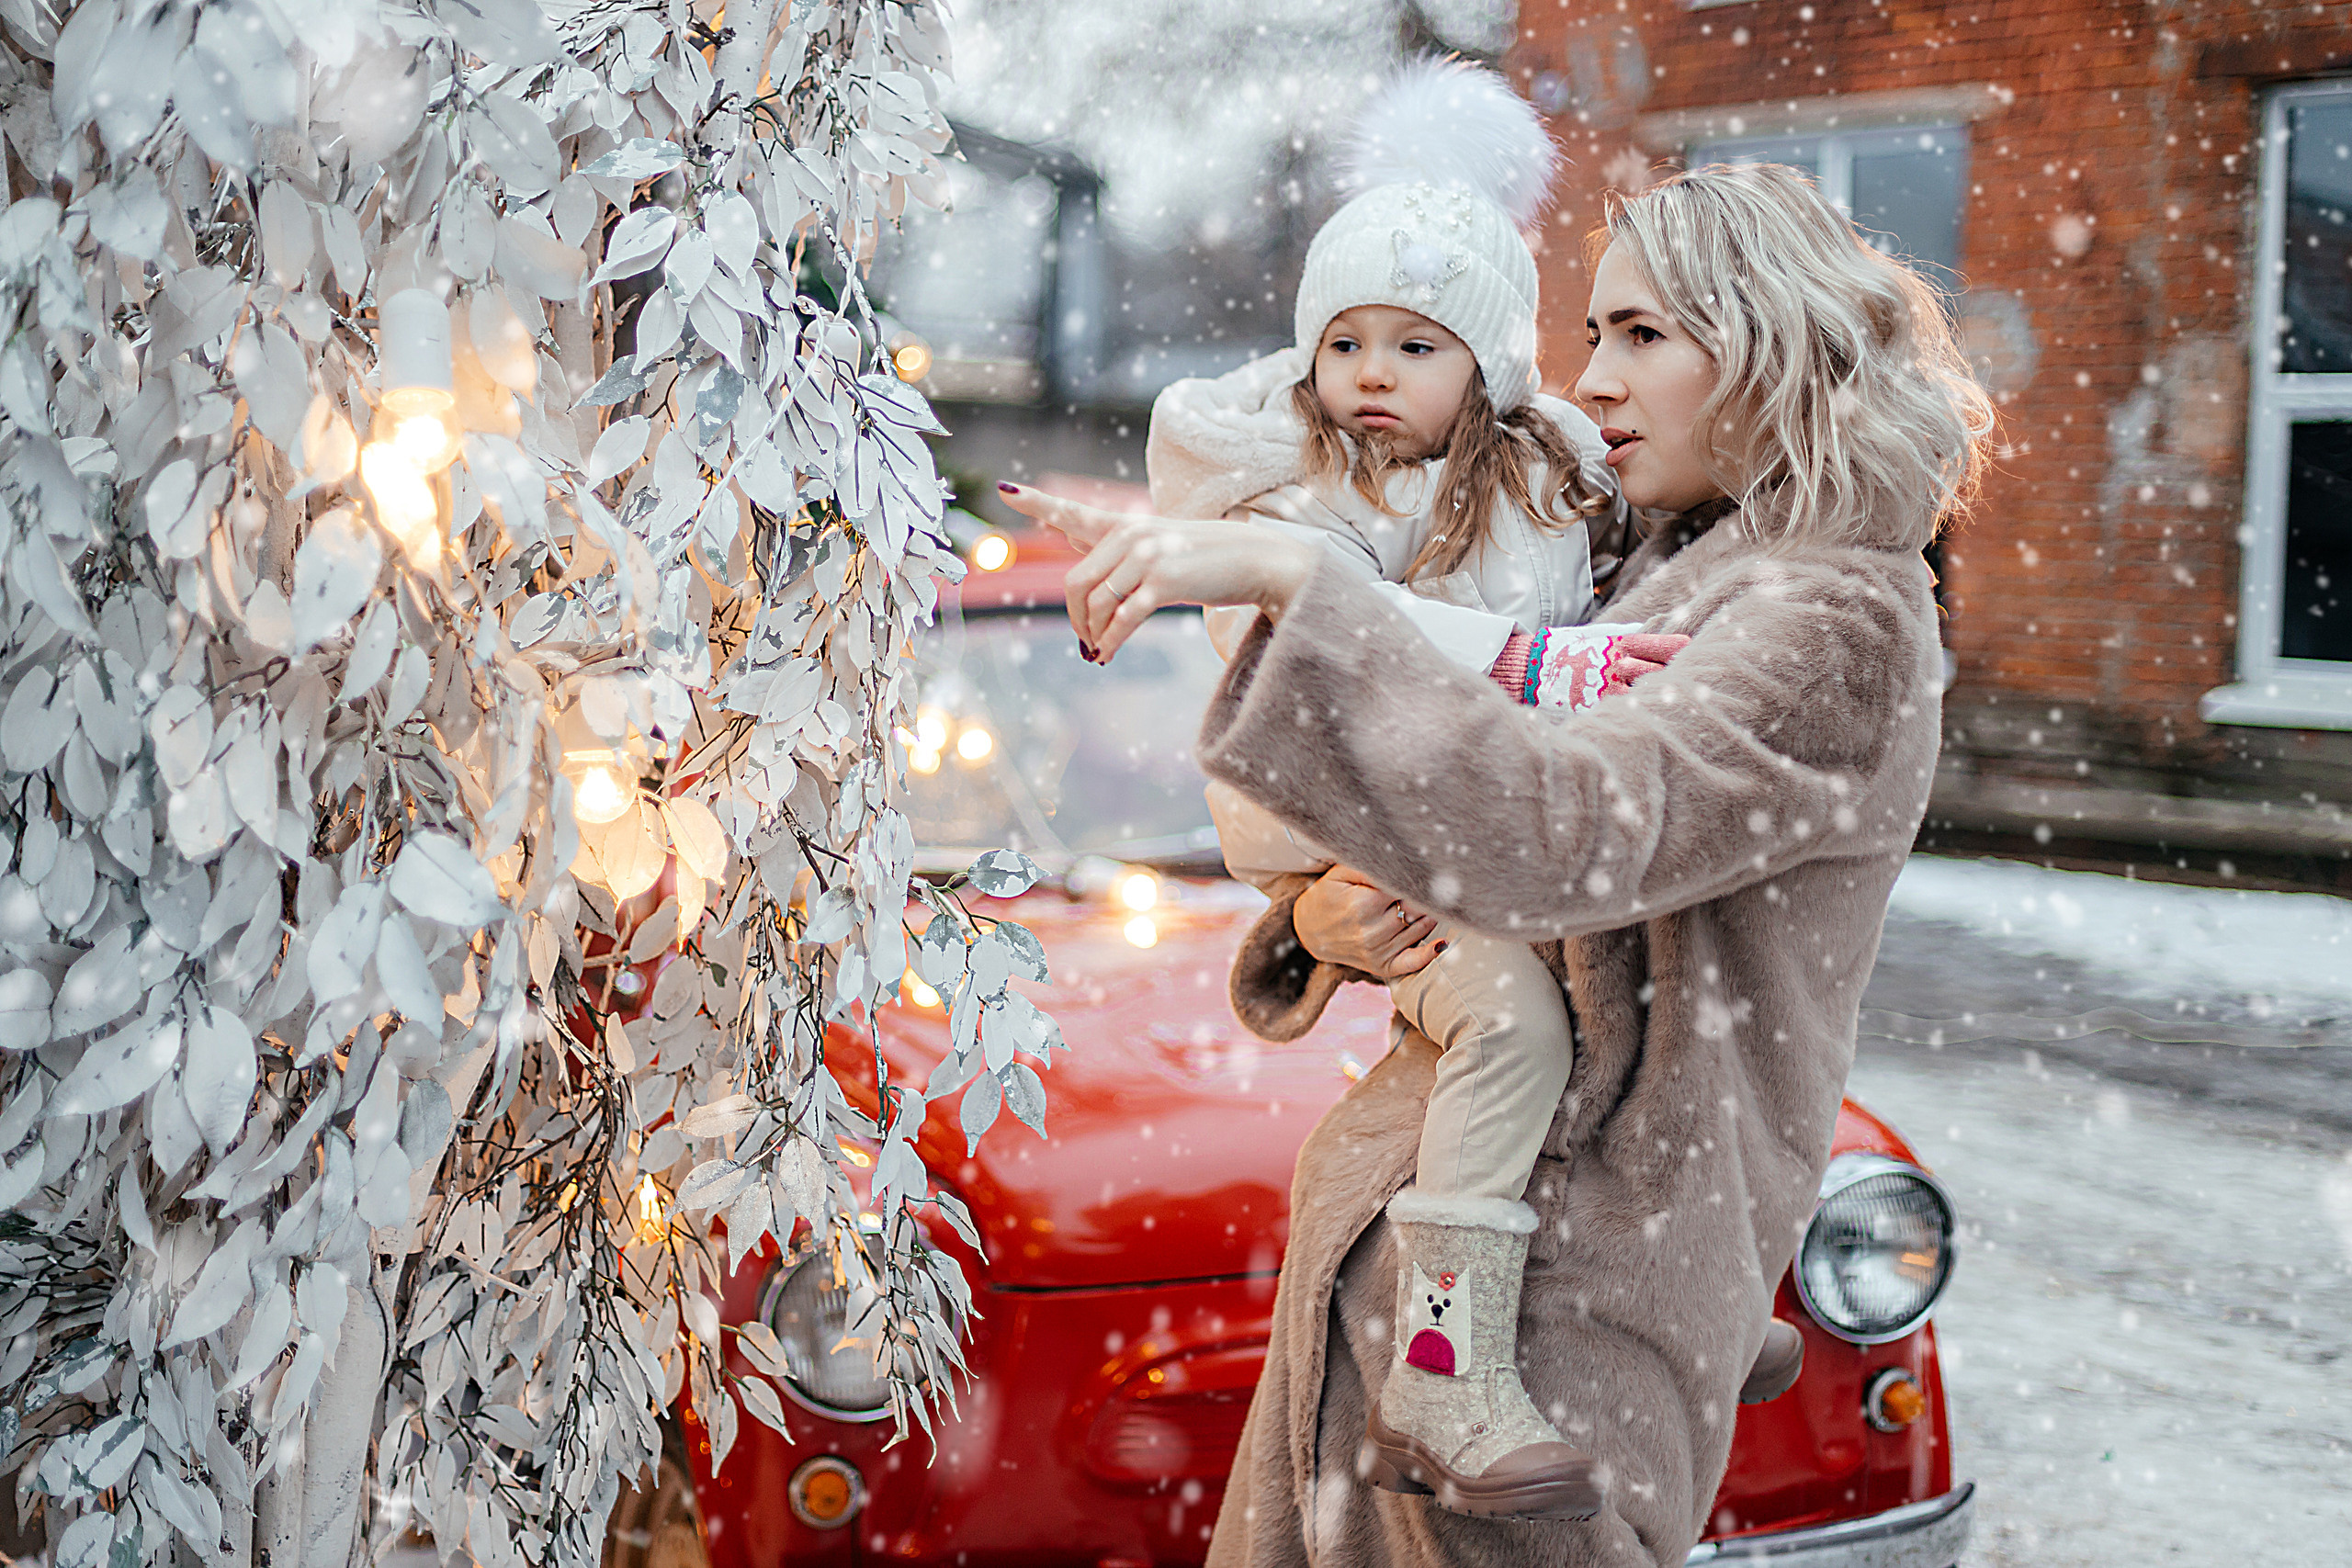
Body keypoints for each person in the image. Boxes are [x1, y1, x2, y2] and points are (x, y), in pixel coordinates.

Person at [1001, 149, 1993, 1568]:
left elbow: (1563, 833)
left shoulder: (1830, 615)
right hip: (1435, 1267)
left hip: (1567, 1309)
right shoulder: (1657, 561)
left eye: (1643, 335)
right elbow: (1482, 816)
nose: (1588, 383)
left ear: (1774, 348)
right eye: (1592, 334)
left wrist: (1297, 579)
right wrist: (1330, 920)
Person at [1139, 60, 1688, 1523]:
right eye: (1345, 341)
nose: (1370, 374)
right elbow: (1331, 659)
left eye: (1416, 344)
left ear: (1493, 367)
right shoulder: (1301, 503)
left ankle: (1665, 1289)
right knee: (1511, 1025)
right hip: (1387, 863)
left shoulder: (1555, 486)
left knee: (1653, 1017)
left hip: (1518, 847)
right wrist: (1534, 674)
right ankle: (1442, 1367)